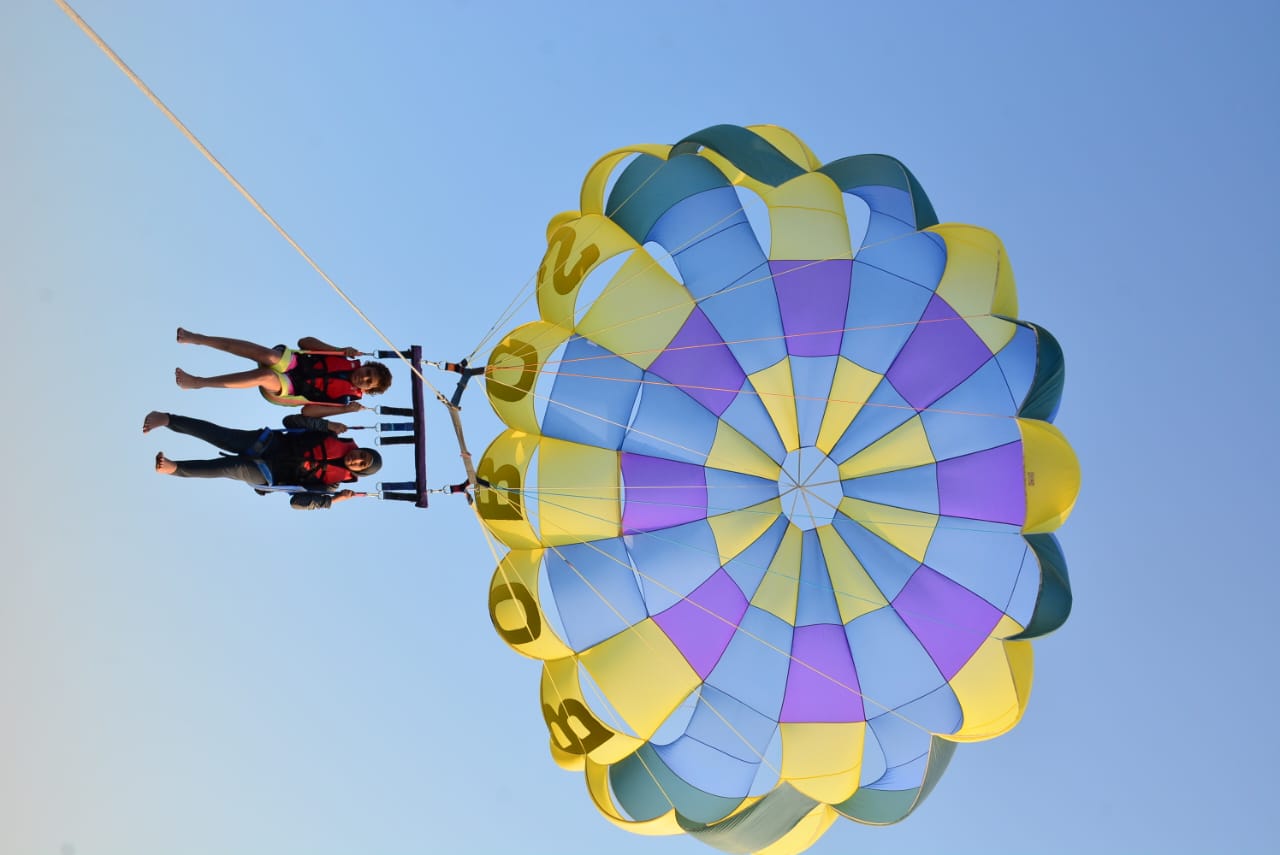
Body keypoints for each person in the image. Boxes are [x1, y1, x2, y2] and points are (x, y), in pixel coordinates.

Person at [143, 410, 382, 510]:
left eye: (361, 464)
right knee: (220, 435)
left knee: (231, 467)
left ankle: (175, 468)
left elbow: (297, 502)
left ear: (358, 473)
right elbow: (292, 421)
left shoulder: (331, 486)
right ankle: (167, 419)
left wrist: (333, 501)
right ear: (360, 448)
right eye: (362, 455)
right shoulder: (331, 435)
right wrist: (325, 424)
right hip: (269, 442)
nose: (357, 459)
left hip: (268, 472)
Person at [174, 328, 392, 417]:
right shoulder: (344, 357)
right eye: (368, 372)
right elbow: (304, 342)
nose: (363, 377)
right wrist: (339, 350)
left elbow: (307, 412)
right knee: (268, 356)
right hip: (294, 363)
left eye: (368, 381)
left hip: (290, 389)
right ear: (366, 365)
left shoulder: (346, 400)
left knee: (265, 377)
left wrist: (345, 411)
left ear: (367, 389)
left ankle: (197, 382)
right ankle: (197, 338)